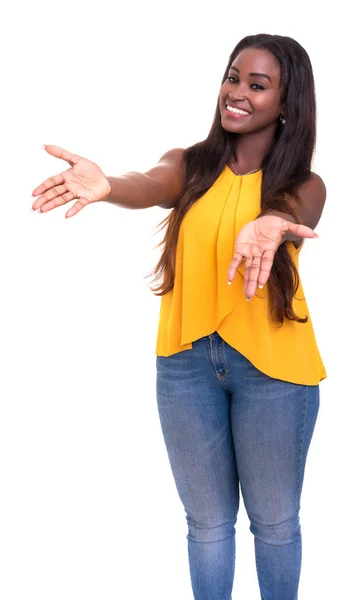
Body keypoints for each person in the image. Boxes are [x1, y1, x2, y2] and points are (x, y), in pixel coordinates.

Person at [31, 33, 327, 600]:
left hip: (275, 373)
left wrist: (268, 223)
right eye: (233, 76)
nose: (236, 92)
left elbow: (291, 211)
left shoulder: (302, 185)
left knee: (275, 525)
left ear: (287, 105)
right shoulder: (190, 164)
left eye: (257, 85)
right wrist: (108, 186)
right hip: (186, 367)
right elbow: (150, 184)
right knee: (207, 527)